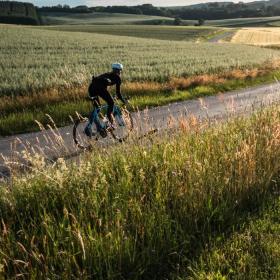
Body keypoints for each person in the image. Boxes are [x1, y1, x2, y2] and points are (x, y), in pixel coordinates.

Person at [88, 63, 126, 129]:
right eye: (120, 70)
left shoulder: (107, 74)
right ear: (119, 71)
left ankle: (90, 127)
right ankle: (110, 123)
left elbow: (98, 82)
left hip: (91, 88)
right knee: (111, 103)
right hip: (100, 89)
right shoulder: (118, 78)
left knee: (97, 108)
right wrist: (123, 100)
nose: (119, 72)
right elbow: (118, 93)